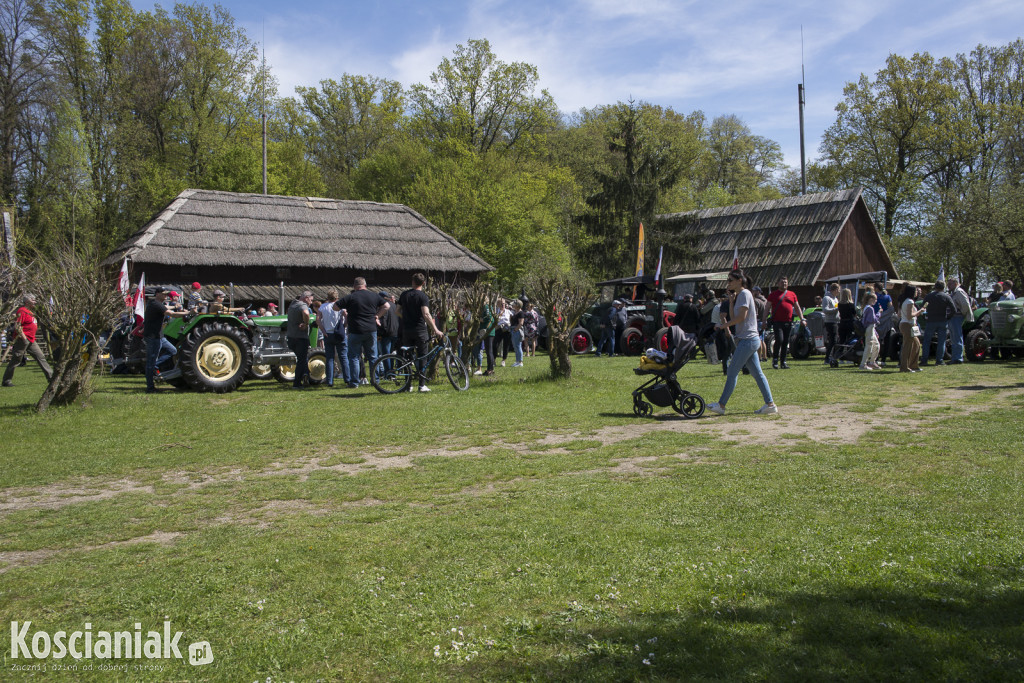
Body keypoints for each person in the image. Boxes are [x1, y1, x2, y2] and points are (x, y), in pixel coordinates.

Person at [707, 270, 777, 416]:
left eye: (730, 280)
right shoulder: (740, 296)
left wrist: (722, 326)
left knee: (732, 371)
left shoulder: (745, 294)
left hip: (748, 341)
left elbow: (741, 317)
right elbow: (734, 316)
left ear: (739, 280)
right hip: (748, 341)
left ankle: (721, 405)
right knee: (758, 374)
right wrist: (731, 302)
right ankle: (770, 404)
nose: (728, 283)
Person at [335, 277, 389, 389]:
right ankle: (375, 380)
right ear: (365, 285)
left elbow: (335, 307)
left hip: (355, 330)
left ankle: (354, 382)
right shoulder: (374, 296)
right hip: (370, 330)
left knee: (354, 357)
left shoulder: (351, 297)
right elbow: (387, 306)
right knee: (373, 356)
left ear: (354, 286)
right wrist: (377, 316)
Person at [397, 272, 444, 392]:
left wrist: (406, 318)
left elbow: (397, 311)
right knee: (422, 356)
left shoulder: (404, 295)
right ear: (423, 283)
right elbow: (426, 314)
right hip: (419, 330)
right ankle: (421, 385)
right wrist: (435, 329)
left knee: (407, 357)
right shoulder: (422, 296)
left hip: (407, 330)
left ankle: (408, 386)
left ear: (412, 282)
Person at [142, 287, 188, 393]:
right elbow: (171, 314)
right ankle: (150, 388)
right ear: (157, 294)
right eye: (163, 294)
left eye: (166, 294)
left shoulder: (155, 303)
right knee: (150, 362)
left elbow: (166, 307)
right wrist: (188, 312)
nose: (166, 296)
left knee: (173, 350)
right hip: (153, 337)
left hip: (159, 336)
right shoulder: (156, 304)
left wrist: (174, 306)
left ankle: (156, 366)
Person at [2, 293, 54, 387]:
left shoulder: (30, 312)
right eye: (32, 299)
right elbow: (17, 326)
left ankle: (51, 378)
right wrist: (24, 338)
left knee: (40, 356)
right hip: (22, 339)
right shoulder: (22, 311)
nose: (35, 301)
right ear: (26, 302)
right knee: (16, 360)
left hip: (31, 340)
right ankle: (6, 381)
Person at [766, 276, 804, 369]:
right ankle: (775, 359)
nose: (784, 284)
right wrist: (763, 320)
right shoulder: (773, 295)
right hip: (777, 322)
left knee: (786, 342)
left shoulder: (792, 294)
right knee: (779, 339)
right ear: (778, 283)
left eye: (786, 282)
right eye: (782, 282)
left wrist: (802, 318)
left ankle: (783, 362)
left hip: (788, 321)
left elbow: (797, 307)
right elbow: (767, 307)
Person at [318, 290, 348, 388]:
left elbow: (317, 319)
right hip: (339, 333)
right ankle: (347, 379)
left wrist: (323, 330)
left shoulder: (322, 307)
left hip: (328, 334)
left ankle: (330, 380)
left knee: (330, 358)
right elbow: (347, 316)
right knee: (343, 356)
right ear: (337, 298)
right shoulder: (340, 306)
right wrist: (344, 325)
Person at [921, 281, 953, 366]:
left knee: (927, 341)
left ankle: (924, 360)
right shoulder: (946, 297)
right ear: (944, 287)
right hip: (942, 320)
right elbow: (954, 309)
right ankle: (939, 360)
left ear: (935, 287)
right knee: (941, 341)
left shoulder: (929, 296)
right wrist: (948, 317)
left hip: (931, 320)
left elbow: (922, 307)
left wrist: (925, 317)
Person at [286, 291, 314, 389]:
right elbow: (306, 313)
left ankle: (305, 375)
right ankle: (297, 383)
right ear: (306, 298)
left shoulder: (292, 304)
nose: (311, 303)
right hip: (300, 337)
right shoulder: (303, 305)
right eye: (311, 300)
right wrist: (306, 324)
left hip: (290, 337)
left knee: (302, 358)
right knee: (301, 360)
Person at [898, 284, 925, 373]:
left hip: (909, 324)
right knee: (907, 347)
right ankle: (904, 367)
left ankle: (913, 365)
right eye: (916, 291)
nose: (917, 292)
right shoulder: (909, 301)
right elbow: (910, 316)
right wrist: (920, 311)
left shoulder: (905, 301)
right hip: (907, 325)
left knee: (916, 344)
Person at [947, 277, 973, 364]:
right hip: (953, 317)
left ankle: (958, 358)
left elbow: (965, 305)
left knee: (957, 337)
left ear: (955, 283)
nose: (948, 285)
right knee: (954, 338)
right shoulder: (954, 292)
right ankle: (955, 357)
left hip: (957, 317)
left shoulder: (959, 292)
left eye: (950, 284)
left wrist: (961, 314)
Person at [860, 292, 881, 370]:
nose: (876, 301)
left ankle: (872, 362)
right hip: (869, 328)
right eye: (875, 299)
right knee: (869, 346)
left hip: (871, 328)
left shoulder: (866, 307)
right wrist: (879, 313)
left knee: (876, 345)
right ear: (871, 299)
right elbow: (873, 320)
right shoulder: (870, 308)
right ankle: (863, 364)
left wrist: (875, 332)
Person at [377, 291, 400, 363]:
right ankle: (392, 371)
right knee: (391, 354)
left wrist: (380, 333)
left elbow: (383, 320)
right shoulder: (394, 305)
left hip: (386, 333)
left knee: (386, 355)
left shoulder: (383, 307)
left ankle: (388, 372)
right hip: (395, 332)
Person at [821, 283, 840, 365]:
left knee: (835, 340)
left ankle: (833, 357)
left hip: (836, 321)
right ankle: (827, 357)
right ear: (834, 290)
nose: (839, 291)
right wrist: (835, 309)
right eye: (838, 290)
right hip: (830, 321)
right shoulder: (826, 298)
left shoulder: (836, 299)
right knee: (833, 340)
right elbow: (825, 310)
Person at [495, 298, 512, 367]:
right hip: (498, 329)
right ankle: (494, 359)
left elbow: (511, 320)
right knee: (495, 345)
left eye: (504, 303)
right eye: (501, 304)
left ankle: (503, 360)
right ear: (498, 304)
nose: (503, 305)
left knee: (506, 345)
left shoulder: (508, 312)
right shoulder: (496, 311)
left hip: (506, 330)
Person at [509, 300, 525, 367]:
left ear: (517, 305)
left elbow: (521, 323)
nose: (513, 306)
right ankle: (517, 361)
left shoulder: (520, 313)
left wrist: (515, 330)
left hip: (517, 330)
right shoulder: (515, 312)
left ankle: (520, 362)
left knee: (518, 346)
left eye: (514, 304)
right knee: (515, 346)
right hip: (514, 329)